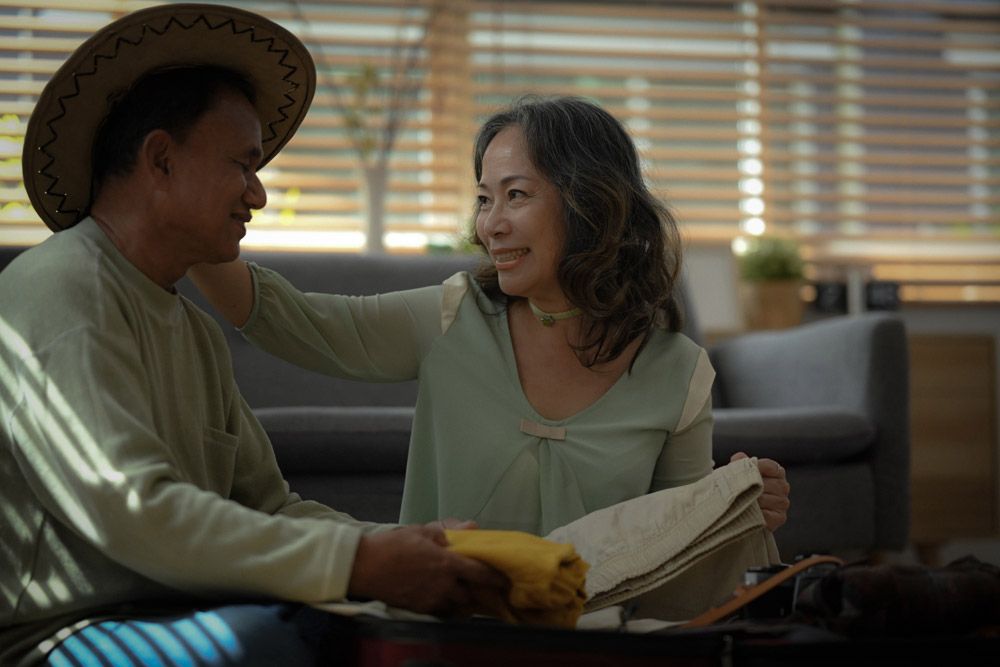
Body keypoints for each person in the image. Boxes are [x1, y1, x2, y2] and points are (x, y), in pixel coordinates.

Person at [0, 5, 504, 666]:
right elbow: (134, 509)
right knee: (265, 642)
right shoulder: (56, 289)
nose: (258, 194)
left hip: (169, 606)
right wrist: (357, 562)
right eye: (243, 163)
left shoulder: (192, 331)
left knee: (355, 629)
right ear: (161, 160)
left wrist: (405, 543)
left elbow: (269, 505)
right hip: (61, 631)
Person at [189, 96, 791, 539]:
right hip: (444, 638)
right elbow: (281, 318)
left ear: (590, 204)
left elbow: (675, 546)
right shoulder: (453, 317)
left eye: (517, 195)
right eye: (484, 198)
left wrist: (736, 511)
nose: (490, 224)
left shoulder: (678, 371)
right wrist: (188, 216)